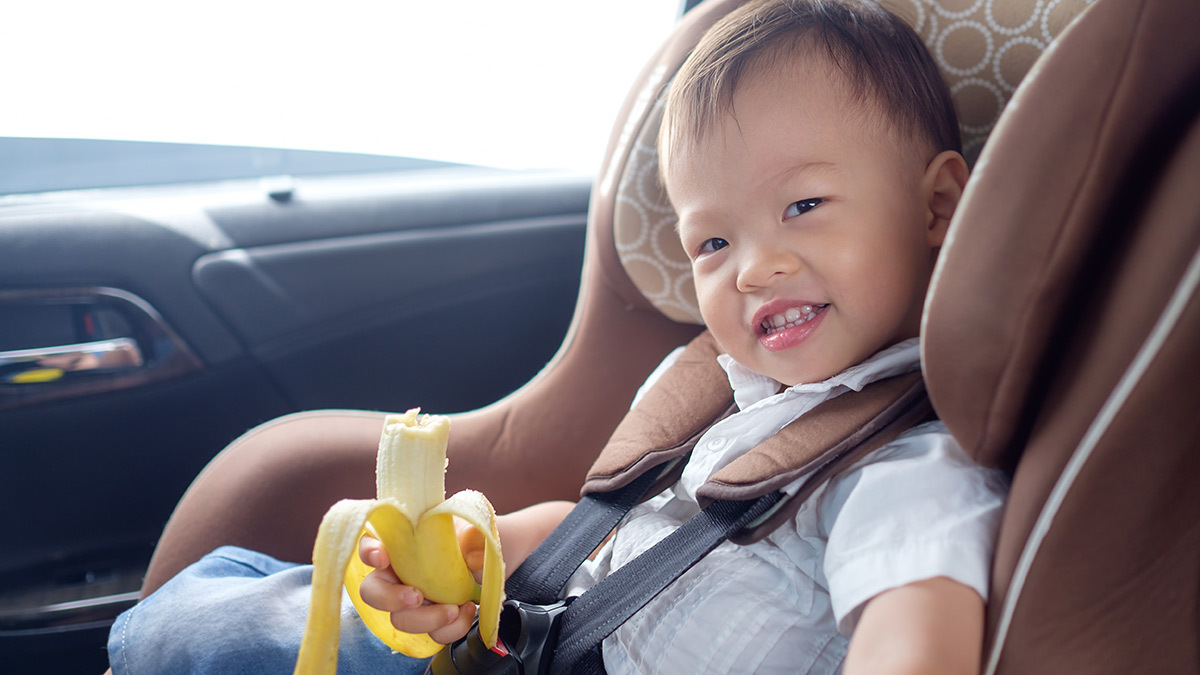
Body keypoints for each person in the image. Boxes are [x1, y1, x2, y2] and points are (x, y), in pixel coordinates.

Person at [106, 0, 1006, 673]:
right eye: (712, 241)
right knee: (206, 618)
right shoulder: (719, 391)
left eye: (803, 206)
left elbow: (912, 638)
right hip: (517, 637)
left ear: (935, 205)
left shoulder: (906, 472)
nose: (753, 267)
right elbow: (600, 538)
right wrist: (475, 555)